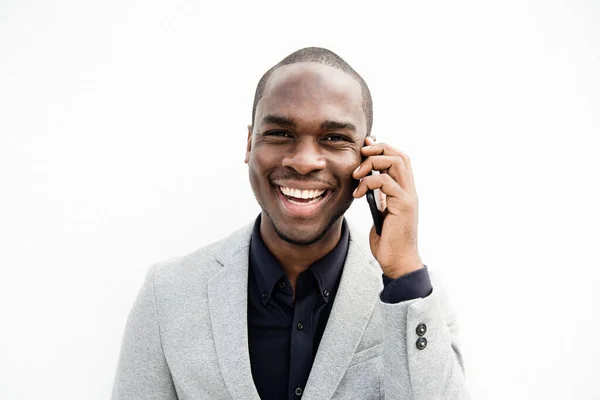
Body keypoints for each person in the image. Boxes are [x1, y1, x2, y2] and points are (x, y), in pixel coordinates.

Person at [111, 47, 469, 400]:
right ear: (250, 144)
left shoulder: (413, 299)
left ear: (368, 157)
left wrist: (403, 272)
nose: (304, 161)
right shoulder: (169, 293)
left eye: (335, 138)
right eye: (281, 133)